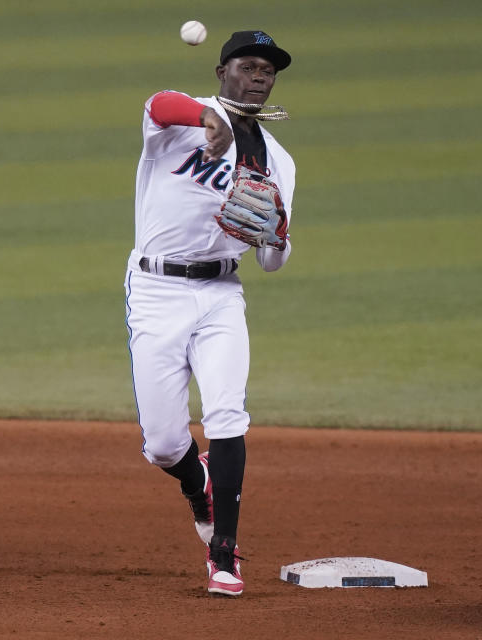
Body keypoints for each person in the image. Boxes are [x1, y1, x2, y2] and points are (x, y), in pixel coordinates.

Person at [123, 30, 295, 597]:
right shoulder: (177, 120)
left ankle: (224, 556)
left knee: (226, 414)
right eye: (248, 66)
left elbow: (272, 261)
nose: (259, 76)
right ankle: (197, 485)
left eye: (268, 70)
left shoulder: (278, 159)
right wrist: (206, 118)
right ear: (222, 70)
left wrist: (276, 234)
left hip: (221, 296)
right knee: (164, 446)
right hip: (155, 289)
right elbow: (157, 103)